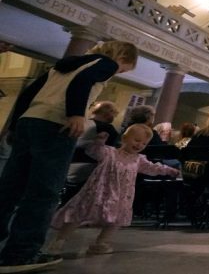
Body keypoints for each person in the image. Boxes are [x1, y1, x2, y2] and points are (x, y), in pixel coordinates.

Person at [0, 40, 137, 271]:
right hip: (57, 124)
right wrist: (75, 114)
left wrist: (14, 125)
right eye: (125, 68)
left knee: (10, 187)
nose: (120, 71)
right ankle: (21, 254)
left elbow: (28, 93)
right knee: (44, 191)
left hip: (30, 121)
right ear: (122, 57)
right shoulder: (107, 63)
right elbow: (82, 82)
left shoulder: (63, 65)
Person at [49, 124, 179, 255]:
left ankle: (101, 243)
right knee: (78, 213)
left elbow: (153, 168)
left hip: (121, 195)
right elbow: (94, 151)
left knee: (116, 220)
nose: (139, 145)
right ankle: (59, 240)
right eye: (137, 140)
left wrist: (169, 170)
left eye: (144, 144)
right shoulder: (109, 152)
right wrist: (99, 142)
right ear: (124, 138)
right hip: (98, 191)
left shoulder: (139, 160)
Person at [66, 101, 121, 194]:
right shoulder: (107, 128)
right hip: (89, 168)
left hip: (68, 163)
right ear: (108, 114)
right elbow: (113, 149)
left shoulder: (79, 122)